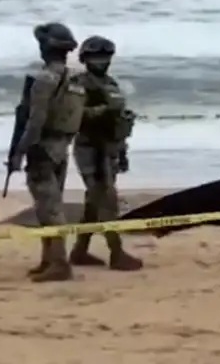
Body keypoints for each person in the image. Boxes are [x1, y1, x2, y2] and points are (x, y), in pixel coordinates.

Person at [7, 22, 86, 282]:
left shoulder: (44, 79)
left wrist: (20, 151)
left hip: (42, 148)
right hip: (61, 147)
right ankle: (49, 260)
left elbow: (35, 121)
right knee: (50, 205)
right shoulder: (74, 77)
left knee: (48, 208)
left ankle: (59, 263)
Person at [70, 35, 143, 271]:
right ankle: (117, 252)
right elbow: (74, 116)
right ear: (85, 59)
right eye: (96, 57)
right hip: (90, 148)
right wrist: (104, 110)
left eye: (105, 57)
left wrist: (122, 152)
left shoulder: (111, 85)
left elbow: (118, 123)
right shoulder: (78, 84)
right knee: (106, 201)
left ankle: (80, 251)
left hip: (109, 149)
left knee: (94, 203)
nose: (101, 62)